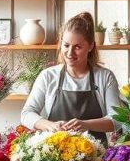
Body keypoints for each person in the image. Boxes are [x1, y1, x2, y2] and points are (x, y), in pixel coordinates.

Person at [21, 11, 119, 143]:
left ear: (90, 46)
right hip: (55, 156)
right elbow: (27, 114)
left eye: (78, 47)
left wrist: (86, 125)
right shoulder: (48, 76)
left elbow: (117, 120)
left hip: (97, 157)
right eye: (66, 45)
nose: (70, 53)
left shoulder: (105, 77)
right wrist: (50, 125)